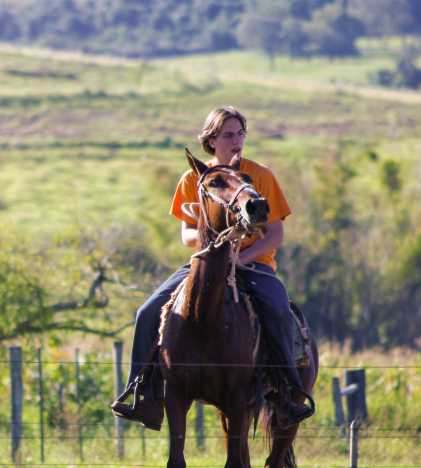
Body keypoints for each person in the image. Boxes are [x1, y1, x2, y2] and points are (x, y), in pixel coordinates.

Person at [110, 106, 313, 431]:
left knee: (277, 311)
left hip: (254, 265)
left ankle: (287, 395)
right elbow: (187, 232)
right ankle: (143, 393)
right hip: (207, 261)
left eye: (241, 134)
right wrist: (209, 246)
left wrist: (241, 259)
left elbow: (275, 233)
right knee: (146, 312)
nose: (237, 141)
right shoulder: (193, 178)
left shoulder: (258, 176)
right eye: (229, 135)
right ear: (211, 140)